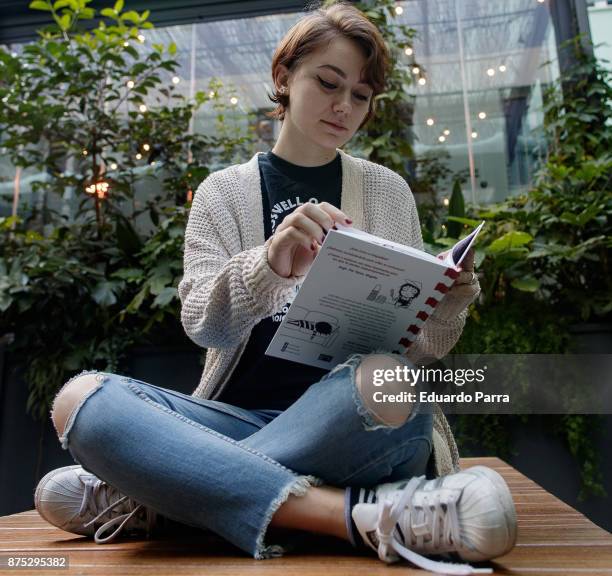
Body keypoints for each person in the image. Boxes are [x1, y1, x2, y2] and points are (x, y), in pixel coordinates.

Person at [35, 3, 516, 573]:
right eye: (328, 82)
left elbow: (423, 351)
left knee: (386, 379)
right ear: (284, 77)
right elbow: (202, 323)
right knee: (82, 401)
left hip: (351, 420)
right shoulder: (222, 193)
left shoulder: (387, 194)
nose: (343, 106)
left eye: (360, 96)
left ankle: (166, 495)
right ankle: (357, 515)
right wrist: (268, 265)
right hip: (235, 417)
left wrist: (445, 298)